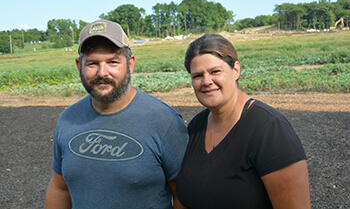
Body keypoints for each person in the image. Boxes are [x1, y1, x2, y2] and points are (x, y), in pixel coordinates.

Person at [45, 19, 189, 209]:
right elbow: (59, 188)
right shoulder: (68, 119)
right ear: (79, 66)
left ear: (130, 64)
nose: (102, 72)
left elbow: (183, 196)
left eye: (113, 62)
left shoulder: (165, 122)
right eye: (92, 63)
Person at [176, 34, 311, 209]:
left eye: (215, 71)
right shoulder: (197, 126)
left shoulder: (268, 128)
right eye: (197, 76)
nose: (206, 81)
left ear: (236, 70)